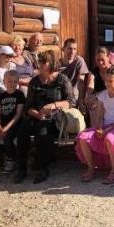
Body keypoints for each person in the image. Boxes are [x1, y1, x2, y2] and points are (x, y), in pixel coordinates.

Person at [14, 50, 73, 184]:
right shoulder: (35, 81)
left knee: (43, 131)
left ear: (51, 63)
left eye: (43, 62)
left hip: (54, 117)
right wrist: (36, 113)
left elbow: (71, 102)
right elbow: (28, 105)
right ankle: (21, 168)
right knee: (23, 131)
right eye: (39, 62)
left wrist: (53, 105)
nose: (40, 64)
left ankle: (42, 168)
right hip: (36, 115)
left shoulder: (62, 79)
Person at [75, 66, 114, 184]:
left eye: (111, 81)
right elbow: (99, 116)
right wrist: (99, 128)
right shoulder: (102, 96)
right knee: (83, 137)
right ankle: (91, 168)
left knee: (110, 138)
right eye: (106, 81)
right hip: (105, 127)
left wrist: (106, 131)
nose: (107, 84)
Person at [0, 69, 25, 172]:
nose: (12, 84)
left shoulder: (19, 95)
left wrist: (6, 129)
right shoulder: (1, 96)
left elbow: (18, 114)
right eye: (9, 81)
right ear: (4, 82)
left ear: (18, 82)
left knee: (8, 139)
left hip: (14, 124)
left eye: (15, 81)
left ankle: (11, 159)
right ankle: (10, 153)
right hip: (2, 124)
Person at [59, 38, 91, 108]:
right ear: (63, 49)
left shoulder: (79, 61)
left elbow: (81, 82)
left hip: (74, 97)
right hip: (59, 97)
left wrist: (80, 100)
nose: (72, 51)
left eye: (74, 49)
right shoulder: (57, 64)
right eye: (69, 48)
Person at [88, 47, 112, 115]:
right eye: (98, 60)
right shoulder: (93, 72)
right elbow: (90, 87)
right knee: (92, 102)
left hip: (113, 99)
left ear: (108, 57)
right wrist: (89, 96)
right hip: (98, 101)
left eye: (102, 59)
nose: (100, 63)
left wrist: (97, 96)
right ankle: (95, 125)